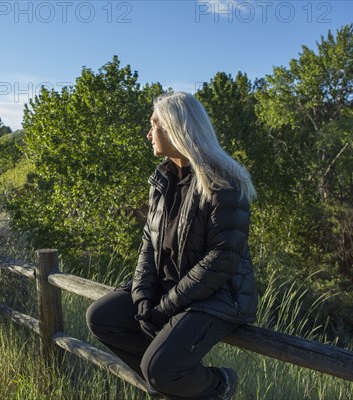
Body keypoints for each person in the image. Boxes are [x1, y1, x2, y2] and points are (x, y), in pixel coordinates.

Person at [86, 91, 258, 400]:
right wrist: (141, 298)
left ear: (177, 128)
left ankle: (218, 385)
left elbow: (222, 259)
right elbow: (149, 245)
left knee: (159, 368)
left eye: (155, 125)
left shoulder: (224, 181)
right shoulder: (163, 178)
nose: (148, 133)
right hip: (172, 289)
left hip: (218, 296)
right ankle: (171, 385)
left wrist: (164, 308)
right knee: (101, 316)